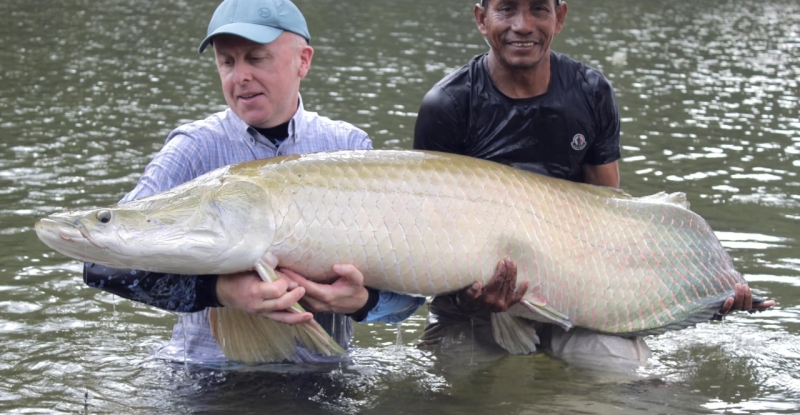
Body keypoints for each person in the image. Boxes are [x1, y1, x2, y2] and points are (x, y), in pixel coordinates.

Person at [412, 0, 775, 368]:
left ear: (560, 17)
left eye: (539, 9)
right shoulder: (448, 105)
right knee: (457, 385)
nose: (522, 25)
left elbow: (611, 222)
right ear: (481, 19)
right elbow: (430, 239)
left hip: (574, 296)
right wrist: (470, 300)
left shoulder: (590, 91)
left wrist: (704, 302)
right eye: (506, 9)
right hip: (473, 309)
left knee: (626, 373)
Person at [83, 0, 425, 365]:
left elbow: (407, 300)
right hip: (208, 375)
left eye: (256, 58)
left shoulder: (350, 148)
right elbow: (102, 263)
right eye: (227, 62)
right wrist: (220, 290)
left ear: (303, 60)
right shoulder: (193, 149)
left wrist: (363, 303)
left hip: (323, 377)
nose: (239, 76)